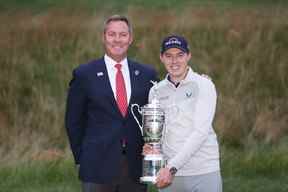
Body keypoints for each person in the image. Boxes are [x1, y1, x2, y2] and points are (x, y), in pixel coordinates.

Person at [65, 15, 158, 192]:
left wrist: (196, 80)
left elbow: (163, 104)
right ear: (104, 37)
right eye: (112, 34)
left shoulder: (147, 74)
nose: (117, 39)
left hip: (135, 166)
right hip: (96, 167)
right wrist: (81, 158)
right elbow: (73, 121)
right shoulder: (84, 74)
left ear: (130, 38)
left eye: (123, 35)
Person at [143, 35, 222, 192]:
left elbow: (200, 132)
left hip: (202, 170)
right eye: (169, 56)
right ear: (161, 57)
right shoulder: (156, 91)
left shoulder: (204, 85)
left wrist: (172, 167)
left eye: (180, 55)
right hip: (169, 176)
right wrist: (153, 148)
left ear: (188, 56)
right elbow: (156, 134)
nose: (174, 61)